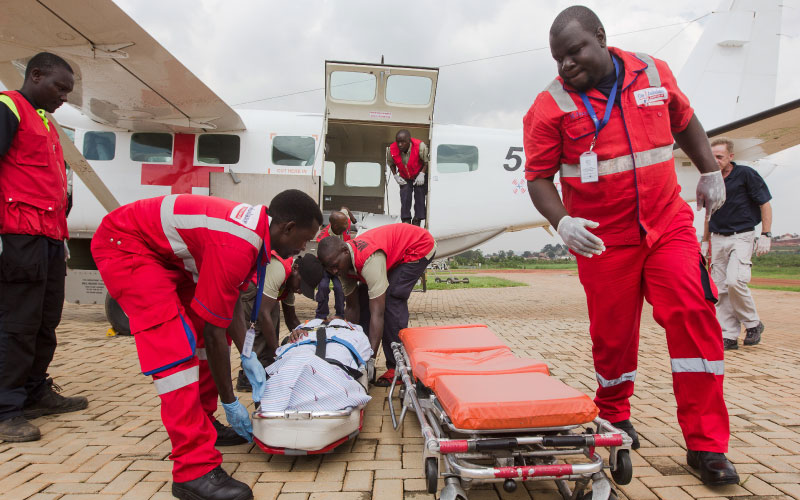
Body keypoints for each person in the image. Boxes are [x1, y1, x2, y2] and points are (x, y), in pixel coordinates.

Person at [523, 6, 738, 486]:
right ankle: (615, 416)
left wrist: (707, 169)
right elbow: (537, 177)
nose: (566, 66)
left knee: (693, 317)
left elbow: (685, 120)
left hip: (668, 225)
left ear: (600, 37)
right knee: (613, 337)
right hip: (603, 240)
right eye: (558, 58)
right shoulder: (548, 107)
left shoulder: (653, 71)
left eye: (575, 52)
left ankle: (707, 446)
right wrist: (563, 222)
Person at [91, 191, 322, 500]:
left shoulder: (254, 239)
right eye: (304, 240)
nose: (303, 249)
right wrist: (231, 401)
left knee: (204, 332)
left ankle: (203, 422)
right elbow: (216, 330)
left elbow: (229, 311)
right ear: (288, 228)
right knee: (175, 348)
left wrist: (248, 354)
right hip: (129, 246)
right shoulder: (238, 243)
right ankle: (193, 469)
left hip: (168, 256)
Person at [0, 52, 88, 443]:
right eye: (60, 87)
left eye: (68, 91)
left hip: (50, 237)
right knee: (17, 324)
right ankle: (5, 409)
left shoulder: (45, 121)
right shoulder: (8, 109)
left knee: (45, 320)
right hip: (19, 235)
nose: (64, 97)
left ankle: (35, 389)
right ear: (35, 75)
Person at [317, 223, 435, 386]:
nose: (335, 272)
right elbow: (352, 307)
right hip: (394, 252)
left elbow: (377, 314)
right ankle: (363, 356)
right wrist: (351, 347)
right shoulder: (340, 267)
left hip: (418, 246)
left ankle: (398, 367)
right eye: (330, 268)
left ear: (345, 251)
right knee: (364, 298)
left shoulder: (369, 260)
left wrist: (370, 359)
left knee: (392, 298)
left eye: (336, 266)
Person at [701, 138, 772, 351]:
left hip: (742, 235)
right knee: (721, 288)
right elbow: (708, 213)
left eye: (720, 157)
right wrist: (705, 241)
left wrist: (766, 234)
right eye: (712, 156)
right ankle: (729, 335)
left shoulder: (746, 175)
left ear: (731, 157)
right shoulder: (709, 179)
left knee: (735, 281)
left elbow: (765, 204)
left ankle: (752, 323)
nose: (715, 160)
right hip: (717, 236)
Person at [233, 252, 324, 392]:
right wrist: (279, 353)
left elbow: (291, 318)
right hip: (249, 290)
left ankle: (266, 366)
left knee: (272, 310)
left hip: (261, 294)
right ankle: (249, 376)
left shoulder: (289, 283)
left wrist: (304, 336)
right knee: (260, 323)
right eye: (301, 285)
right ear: (296, 269)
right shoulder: (279, 269)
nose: (300, 291)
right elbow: (263, 314)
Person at [262, 318, 373, 412]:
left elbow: (363, 347)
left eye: (335, 317)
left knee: (336, 358)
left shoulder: (353, 332)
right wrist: (295, 333)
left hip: (338, 349)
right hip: (303, 347)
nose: (329, 318)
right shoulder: (303, 329)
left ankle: (304, 388)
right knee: (297, 357)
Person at [314, 207, 357, 319]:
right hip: (326, 266)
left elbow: (345, 208)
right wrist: (331, 270)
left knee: (339, 288)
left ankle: (340, 314)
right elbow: (322, 259)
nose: (348, 226)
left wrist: (353, 219)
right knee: (323, 287)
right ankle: (321, 315)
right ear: (336, 226)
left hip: (340, 264)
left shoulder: (343, 220)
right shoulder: (323, 238)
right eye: (345, 225)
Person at [387, 130, 429, 226]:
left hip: (418, 174)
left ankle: (417, 219)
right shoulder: (392, 149)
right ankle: (406, 220)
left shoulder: (420, 146)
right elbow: (391, 163)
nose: (400, 145)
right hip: (405, 176)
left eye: (403, 142)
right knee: (405, 195)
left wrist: (422, 173)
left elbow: (426, 162)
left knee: (419, 194)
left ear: (409, 141)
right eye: (398, 142)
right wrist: (395, 176)